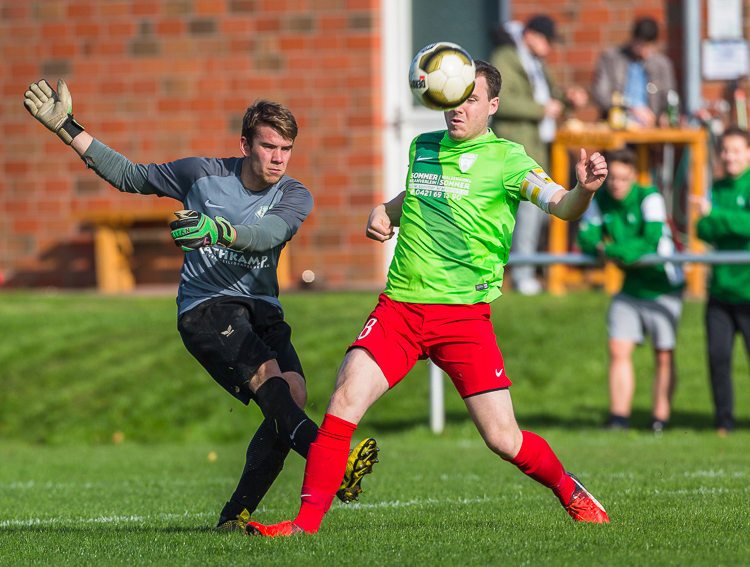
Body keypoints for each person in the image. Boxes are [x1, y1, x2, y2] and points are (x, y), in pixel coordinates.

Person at [246, 60, 609, 537]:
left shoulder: (509, 159)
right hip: (399, 309)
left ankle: (571, 492)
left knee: (504, 439)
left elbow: (561, 206)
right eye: (452, 97)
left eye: (471, 98)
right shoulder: (423, 147)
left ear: (493, 106)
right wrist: (383, 212)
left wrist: (584, 188)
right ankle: (304, 526)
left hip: (463, 319)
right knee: (344, 400)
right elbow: (412, 200)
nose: (458, 108)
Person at [22, 79, 379, 531]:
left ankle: (235, 516)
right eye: (268, 146)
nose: (277, 158)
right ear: (244, 144)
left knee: (293, 395)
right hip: (206, 308)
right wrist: (66, 128)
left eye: (286, 149)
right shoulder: (201, 174)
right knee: (271, 384)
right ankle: (335, 463)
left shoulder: (294, 195)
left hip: (262, 307)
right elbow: (130, 176)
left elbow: (268, 236)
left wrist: (218, 232)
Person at [577, 149, 685, 433]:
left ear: (634, 177)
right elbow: (586, 238)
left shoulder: (650, 197)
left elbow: (649, 243)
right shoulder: (599, 198)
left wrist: (610, 251)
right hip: (631, 285)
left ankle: (660, 420)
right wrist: (611, 250)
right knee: (618, 348)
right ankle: (619, 419)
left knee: (663, 353)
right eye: (613, 178)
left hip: (663, 284)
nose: (617, 184)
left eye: (624, 178)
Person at [490, 14, 589, 295]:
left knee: (539, 211)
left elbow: (550, 98)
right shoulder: (506, 57)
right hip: (517, 145)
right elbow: (501, 101)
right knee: (529, 211)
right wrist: (541, 109)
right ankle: (522, 275)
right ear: (531, 35)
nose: (550, 48)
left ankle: (529, 271)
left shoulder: (535, 62)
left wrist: (567, 99)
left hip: (538, 145)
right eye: (547, 41)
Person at [693, 126, 750, 436]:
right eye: (725, 150)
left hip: (749, 290)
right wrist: (717, 219)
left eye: (736, 150)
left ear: (748, 153)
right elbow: (703, 230)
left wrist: (717, 215)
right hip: (720, 291)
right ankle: (723, 423)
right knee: (717, 358)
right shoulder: (716, 186)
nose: (729, 156)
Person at [592, 17, 677, 128]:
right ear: (632, 39)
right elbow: (600, 94)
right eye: (640, 46)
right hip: (617, 125)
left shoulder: (662, 65)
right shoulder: (612, 59)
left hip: (651, 128)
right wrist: (630, 107)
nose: (644, 51)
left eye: (649, 47)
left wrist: (665, 114)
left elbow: (671, 97)